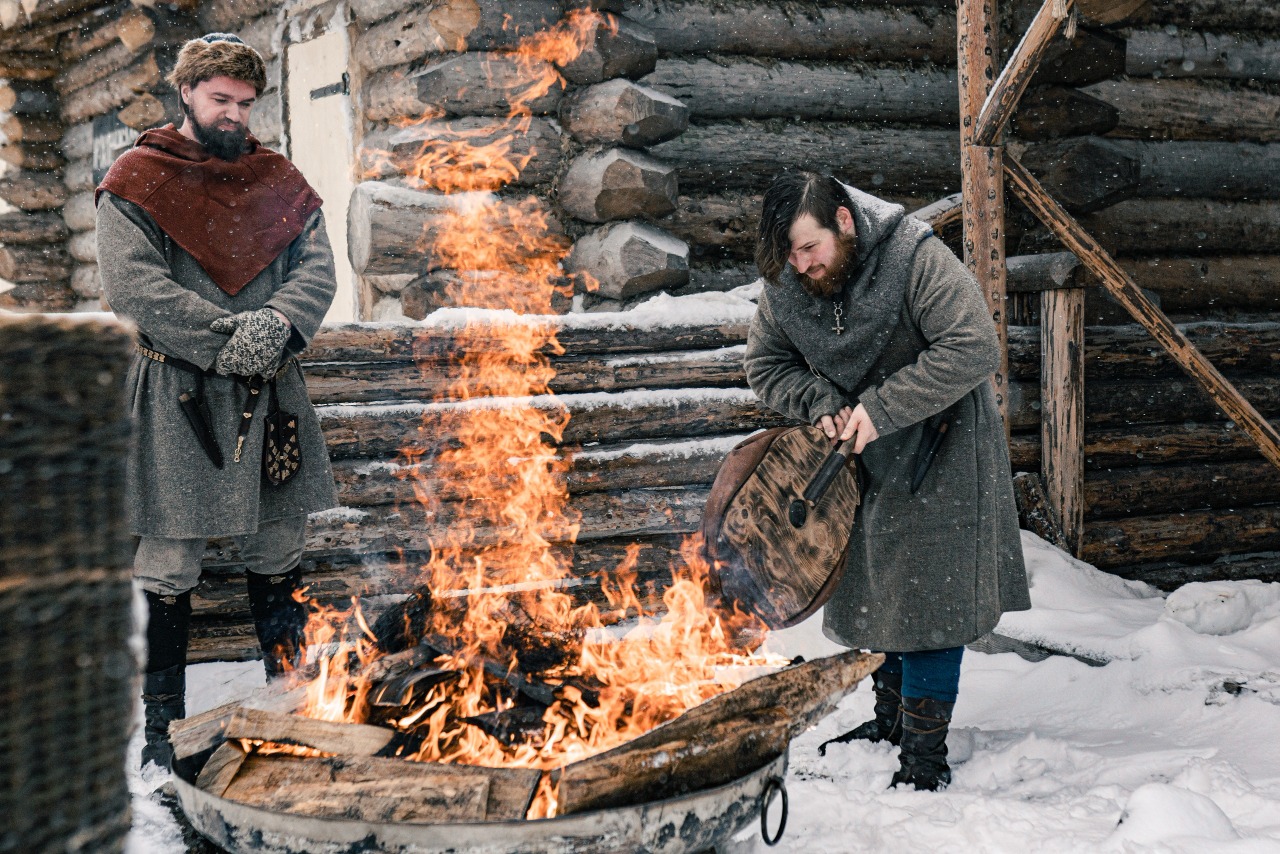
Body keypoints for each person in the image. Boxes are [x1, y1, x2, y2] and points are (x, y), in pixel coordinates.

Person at [95, 34, 339, 771]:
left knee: (278, 550)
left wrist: (274, 325)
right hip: (179, 394)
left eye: (244, 102)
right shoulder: (139, 179)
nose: (233, 114)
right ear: (188, 97)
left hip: (271, 393)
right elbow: (132, 285)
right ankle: (161, 733)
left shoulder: (279, 181)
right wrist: (222, 339)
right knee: (168, 559)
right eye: (218, 100)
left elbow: (318, 271)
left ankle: (295, 708)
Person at [744, 171, 1031, 791]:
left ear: (844, 222)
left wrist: (882, 408)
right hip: (856, 458)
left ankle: (925, 754)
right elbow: (765, 364)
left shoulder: (913, 256)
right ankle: (890, 722)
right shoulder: (786, 281)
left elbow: (974, 344)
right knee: (874, 586)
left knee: (930, 594)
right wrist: (818, 399)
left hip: (943, 446)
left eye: (810, 247)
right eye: (790, 253)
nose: (801, 265)